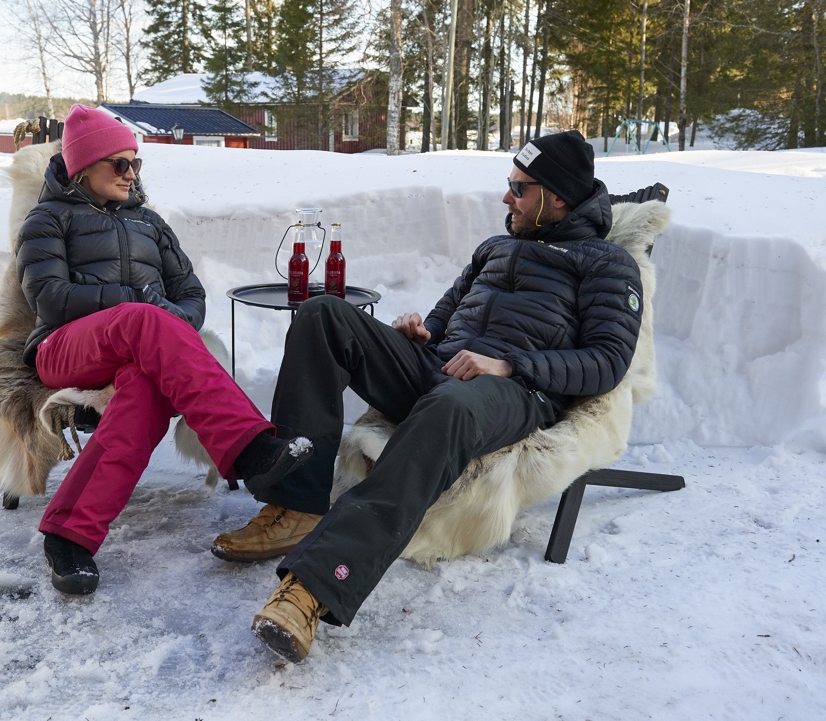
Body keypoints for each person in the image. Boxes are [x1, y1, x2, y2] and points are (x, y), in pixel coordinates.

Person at [211, 130, 645, 663]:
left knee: (452, 403)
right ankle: (296, 505)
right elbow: (445, 318)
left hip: (511, 392)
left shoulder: (606, 264)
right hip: (439, 368)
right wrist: (422, 333)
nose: (506, 197)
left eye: (519, 188)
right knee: (323, 313)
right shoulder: (496, 247)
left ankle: (316, 585)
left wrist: (508, 364)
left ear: (557, 197)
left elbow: (607, 362)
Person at [15, 104, 311, 595]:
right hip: (66, 347)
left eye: (136, 163)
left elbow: (191, 296)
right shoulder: (47, 220)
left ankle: (68, 535)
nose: (131, 174)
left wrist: (165, 320)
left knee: (145, 393)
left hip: (144, 347)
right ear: (82, 167)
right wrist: (141, 305)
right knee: (142, 318)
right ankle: (250, 445)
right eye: (119, 164)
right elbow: (49, 298)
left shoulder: (150, 224)